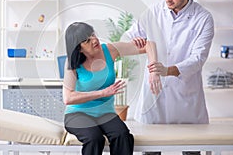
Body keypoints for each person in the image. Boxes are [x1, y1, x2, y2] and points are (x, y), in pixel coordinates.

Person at [125, 0, 214, 155]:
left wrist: (167, 70)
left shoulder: (203, 18)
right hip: (154, 93)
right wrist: (136, 42)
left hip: (185, 95)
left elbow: (198, 59)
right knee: (150, 149)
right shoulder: (154, 12)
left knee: (191, 149)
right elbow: (128, 38)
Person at [63, 22, 161, 155]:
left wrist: (154, 71)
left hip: (105, 114)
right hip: (77, 115)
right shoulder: (71, 63)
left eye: (92, 34)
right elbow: (68, 98)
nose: (94, 40)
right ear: (79, 48)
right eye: (87, 40)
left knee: (123, 135)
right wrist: (102, 93)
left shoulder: (109, 50)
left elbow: (150, 45)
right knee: (94, 138)